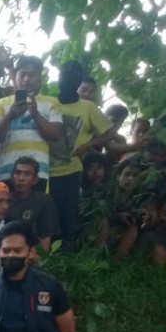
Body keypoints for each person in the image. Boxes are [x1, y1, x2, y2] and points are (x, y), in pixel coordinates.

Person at [47, 61, 116, 250]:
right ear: (59, 78)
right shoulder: (49, 103)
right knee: (47, 215)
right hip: (45, 170)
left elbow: (110, 133)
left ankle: (68, 255)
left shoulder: (88, 107)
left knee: (69, 215)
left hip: (71, 170)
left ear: (78, 81)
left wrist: (88, 145)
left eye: (73, 76)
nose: (68, 79)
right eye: (64, 75)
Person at [0, 55, 65, 185]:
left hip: (37, 175)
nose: (26, 79)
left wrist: (35, 113)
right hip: (6, 172)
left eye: (32, 75)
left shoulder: (52, 103)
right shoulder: (2, 103)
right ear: (15, 76)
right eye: (22, 74)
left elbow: (55, 135)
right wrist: (9, 116)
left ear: (40, 78)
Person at [5, 156, 60, 250]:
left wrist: (41, 262)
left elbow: (45, 236)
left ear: (35, 180)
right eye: (17, 173)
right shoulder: (4, 200)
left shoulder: (44, 200)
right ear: (12, 177)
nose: (21, 178)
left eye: (27, 174)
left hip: (32, 254)